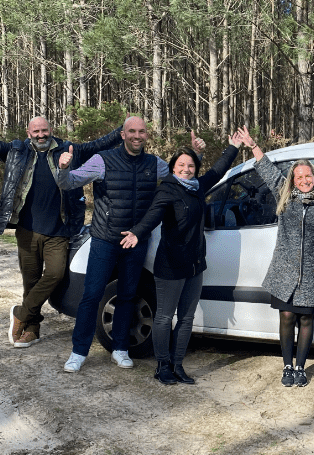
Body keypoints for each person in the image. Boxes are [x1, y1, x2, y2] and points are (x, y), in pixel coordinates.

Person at [0, 102, 122, 348]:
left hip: (59, 231)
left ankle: (21, 313)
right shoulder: (17, 151)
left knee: (55, 274)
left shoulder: (67, 150)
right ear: (29, 134)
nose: (41, 135)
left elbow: (98, 145)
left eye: (44, 131)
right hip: (27, 229)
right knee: (30, 280)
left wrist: (122, 130)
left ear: (51, 130)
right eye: (36, 132)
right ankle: (32, 330)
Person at [55, 116, 204, 373]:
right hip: (104, 240)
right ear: (122, 134)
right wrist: (64, 167)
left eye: (142, 132)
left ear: (147, 135)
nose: (137, 136)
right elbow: (67, 183)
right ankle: (79, 351)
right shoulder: (102, 161)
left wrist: (197, 155)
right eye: (131, 131)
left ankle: (121, 348)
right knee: (91, 296)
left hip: (136, 242)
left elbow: (184, 176)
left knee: (127, 295)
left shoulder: (154, 164)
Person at [237, 126, 314, 388]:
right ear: (293, 178)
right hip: (284, 271)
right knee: (287, 317)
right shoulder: (284, 194)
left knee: (306, 319)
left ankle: (301, 368)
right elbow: (266, 169)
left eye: (308, 175)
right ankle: (287, 366)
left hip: (310, 274)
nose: (304, 179)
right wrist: (254, 145)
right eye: (299, 176)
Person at [125, 132, 242, 385]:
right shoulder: (167, 190)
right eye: (181, 165)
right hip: (170, 264)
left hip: (195, 263)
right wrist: (137, 232)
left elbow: (219, 170)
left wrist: (233, 147)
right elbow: (153, 215)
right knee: (165, 317)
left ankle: (178, 365)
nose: (187, 169)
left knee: (187, 318)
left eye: (190, 166)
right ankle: (162, 365)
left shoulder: (198, 187)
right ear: (173, 168)